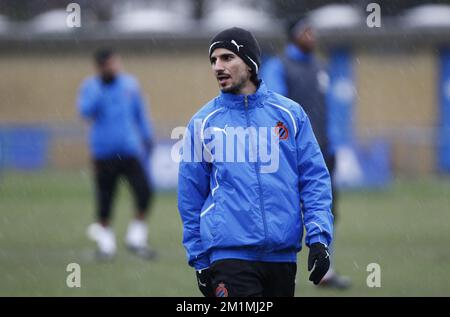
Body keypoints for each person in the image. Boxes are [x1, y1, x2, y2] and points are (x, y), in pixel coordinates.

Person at [178, 27, 333, 297]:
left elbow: (314, 179)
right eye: (213, 60)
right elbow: (190, 197)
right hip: (229, 257)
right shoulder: (203, 124)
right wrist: (200, 260)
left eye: (227, 58)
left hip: (281, 258)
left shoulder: (290, 114)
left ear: (249, 64)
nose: (218, 66)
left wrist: (319, 238)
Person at [260, 18, 351, 289]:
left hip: (322, 152)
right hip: (290, 155)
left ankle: (325, 270)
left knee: (325, 208)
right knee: (280, 211)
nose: (312, 36)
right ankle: (269, 270)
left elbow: (329, 110)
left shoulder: (322, 67)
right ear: (293, 36)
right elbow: (276, 112)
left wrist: (332, 143)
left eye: (313, 31)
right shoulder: (278, 66)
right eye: (306, 31)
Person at [78, 49, 156, 260]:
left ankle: (136, 238)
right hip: (103, 153)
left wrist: (148, 136)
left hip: (130, 150)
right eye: (108, 65)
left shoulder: (130, 84)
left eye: (115, 63)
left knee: (144, 192)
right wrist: (100, 91)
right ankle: (106, 246)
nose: (113, 68)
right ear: (100, 67)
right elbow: (85, 111)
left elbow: (139, 112)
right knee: (105, 199)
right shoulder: (91, 86)